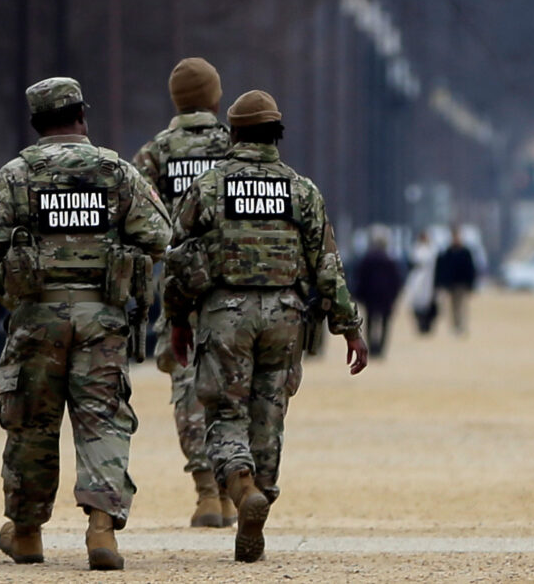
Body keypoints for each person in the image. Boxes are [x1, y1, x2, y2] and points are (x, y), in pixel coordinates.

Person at [0, 76, 173, 570]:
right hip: (102, 316)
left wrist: (12, 287)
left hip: (36, 317)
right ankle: (101, 530)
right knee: (103, 419)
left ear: (37, 122)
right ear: (82, 114)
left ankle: (26, 532)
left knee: (31, 423)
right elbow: (160, 235)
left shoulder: (17, 174)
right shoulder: (116, 171)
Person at [164, 90, 367, 564]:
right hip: (286, 315)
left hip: (225, 313)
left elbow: (178, 260)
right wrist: (350, 328)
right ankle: (262, 495)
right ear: (277, 134)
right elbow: (328, 267)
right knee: (270, 411)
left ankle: (240, 483)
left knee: (224, 410)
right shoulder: (302, 190)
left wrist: (177, 318)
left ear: (233, 133)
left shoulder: (209, 187)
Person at [130, 57, 235, 529]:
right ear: (215, 99)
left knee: (188, 390)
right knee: (237, 384)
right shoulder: (237, 146)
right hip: (236, 285)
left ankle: (206, 492)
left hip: (180, 288)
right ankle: (237, 482)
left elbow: (138, 218)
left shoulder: (155, 152)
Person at [347, 227, 405, 359]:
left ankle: (371, 348)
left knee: (370, 321)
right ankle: (381, 348)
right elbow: (396, 281)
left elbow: (360, 278)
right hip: (386, 297)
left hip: (370, 296)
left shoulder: (366, 259)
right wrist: (394, 296)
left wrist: (358, 294)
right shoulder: (391, 261)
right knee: (385, 323)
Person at [433, 227, 479, 336]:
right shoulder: (448, 252)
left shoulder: (465, 252)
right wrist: (442, 283)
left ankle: (462, 326)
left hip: (462, 283)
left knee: (462, 306)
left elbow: (470, 269)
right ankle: (455, 327)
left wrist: (471, 284)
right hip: (451, 284)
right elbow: (443, 269)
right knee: (452, 307)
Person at [404, 228, 439, 336]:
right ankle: (420, 325)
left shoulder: (433, 249)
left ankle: (427, 326)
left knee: (429, 305)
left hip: (430, 280)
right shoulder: (415, 249)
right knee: (416, 304)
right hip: (417, 280)